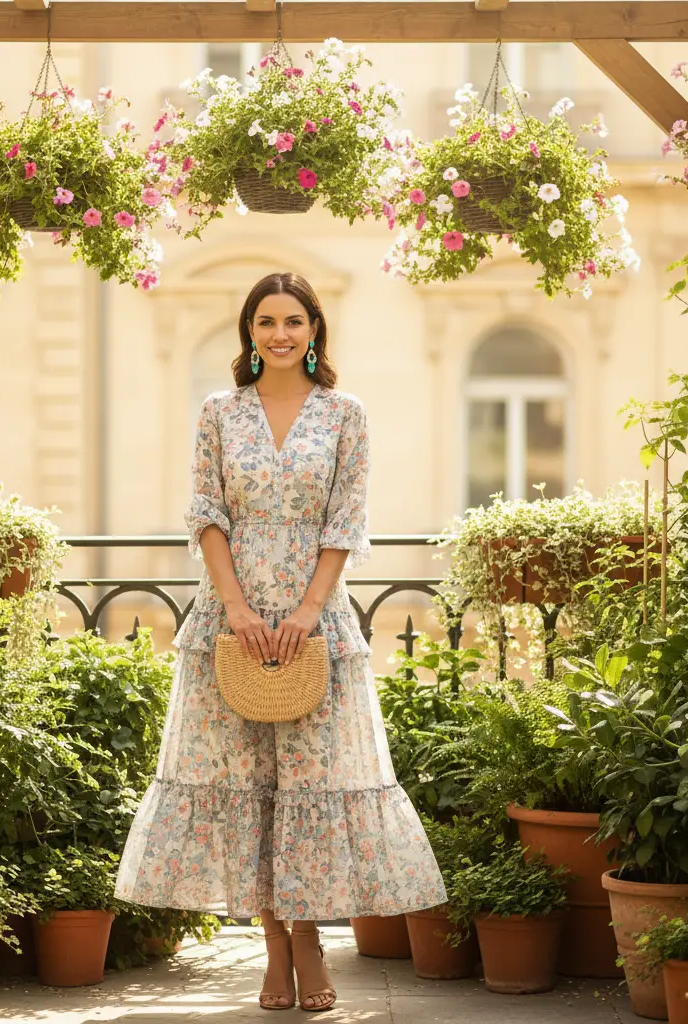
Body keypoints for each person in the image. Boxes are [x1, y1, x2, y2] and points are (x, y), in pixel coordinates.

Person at [115, 272, 446, 1011]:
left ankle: (311, 943)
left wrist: (308, 609)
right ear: (249, 333)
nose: (280, 333)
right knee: (251, 787)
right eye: (265, 321)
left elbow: (346, 520)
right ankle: (274, 951)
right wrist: (234, 605)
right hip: (229, 618)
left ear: (315, 329)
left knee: (313, 783)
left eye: (293, 320)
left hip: (315, 617)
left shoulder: (345, 414)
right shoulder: (218, 413)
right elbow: (204, 511)